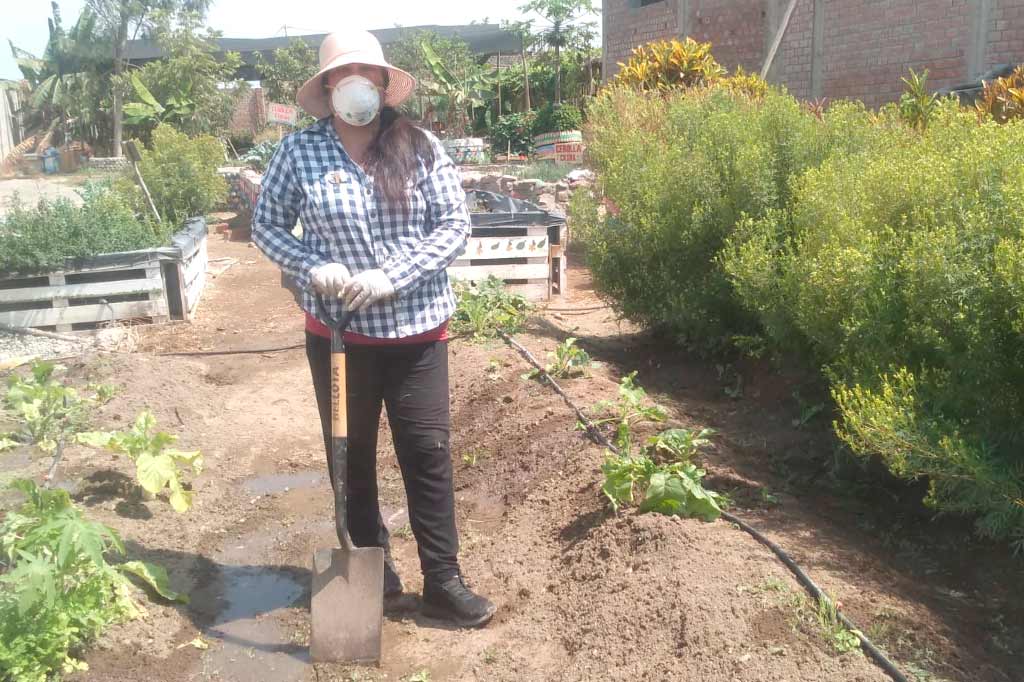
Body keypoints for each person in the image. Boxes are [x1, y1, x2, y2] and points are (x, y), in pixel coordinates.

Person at [251, 29, 495, 628]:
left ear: (385, 85)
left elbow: (453, 226)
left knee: (427, 455)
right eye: (343, 72)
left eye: (368, 71)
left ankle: (444, 580)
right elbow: (266, 227)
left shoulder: (420, 146)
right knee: (350, 460)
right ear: (328, 86)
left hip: (416, 333)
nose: (356, 81)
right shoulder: (299, 153)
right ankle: (375, 576)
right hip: (339, 340)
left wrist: (394, 275)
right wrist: (313, 264)